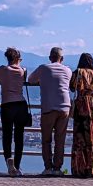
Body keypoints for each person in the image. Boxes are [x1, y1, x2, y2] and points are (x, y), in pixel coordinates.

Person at [27, 47, 72, 176]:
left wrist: (43, 81)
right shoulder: (68, 70)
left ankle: (48, 168)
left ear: (50, 58)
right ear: (62, 59)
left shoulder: (43, 68)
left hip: (48, 108)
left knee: (46, 140)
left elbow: (30, 80)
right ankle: (58, 168)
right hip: (64, 107)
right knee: (60, 140)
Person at [0, 47, 28, 177]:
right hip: (21, 105)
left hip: (7, 105)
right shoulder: (23, 70)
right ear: (17, 58)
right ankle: (18, 166)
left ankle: (9, 162)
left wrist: (1, 80)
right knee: (19, 137)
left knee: (7, 135)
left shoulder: (3, 70)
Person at [69, 52, 93, 178]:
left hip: (81, 106)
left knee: (80, 138)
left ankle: (81, 168)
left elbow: (72, 87)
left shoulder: (78, 73)